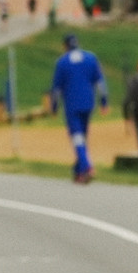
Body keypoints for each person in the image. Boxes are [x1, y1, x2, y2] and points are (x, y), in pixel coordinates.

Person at [45, 32, 108, 183]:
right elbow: (100, 83)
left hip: (72, 105)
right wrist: (104, 101)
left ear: (65, 46)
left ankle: (87, 166)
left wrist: (54, 107)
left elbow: (56, 89)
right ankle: (78, 171)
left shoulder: (62, 62)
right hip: (88, 103)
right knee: (83, 137)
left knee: (77, 137)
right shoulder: (90, 58)